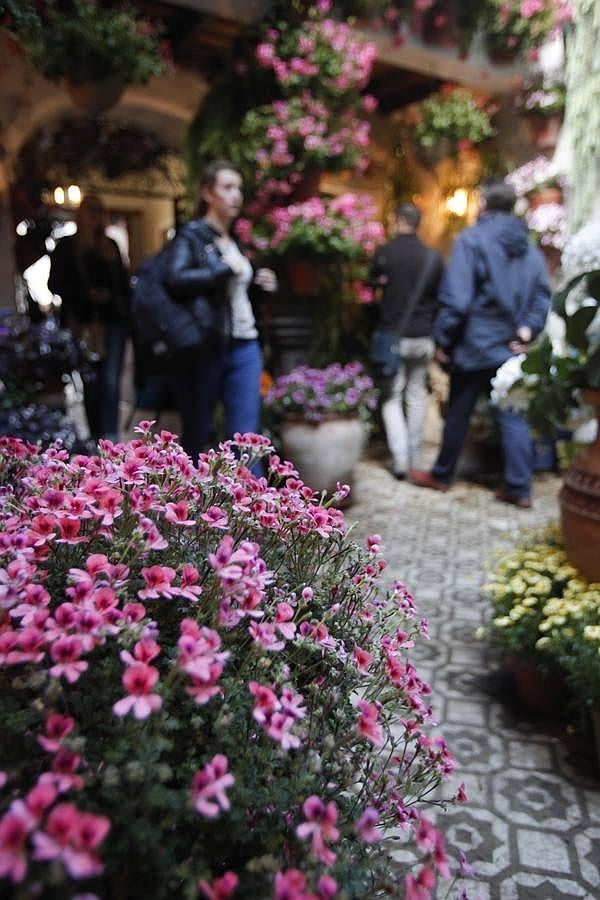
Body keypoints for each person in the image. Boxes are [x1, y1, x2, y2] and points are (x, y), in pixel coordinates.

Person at [409, 180, 551, 507]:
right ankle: (519, 488)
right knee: (513, 411)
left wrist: (444, 339)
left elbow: (457, 300)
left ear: (483, 204)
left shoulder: (471, 240)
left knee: (458, 410)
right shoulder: (528, 246)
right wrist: (528, 329)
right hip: (511, 346)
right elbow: (542, 293)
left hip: (475, 343)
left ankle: (442, 475)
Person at [164, 160, 277, 462]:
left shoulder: (234, 241)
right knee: (197, 434)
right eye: (227, 188)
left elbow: (233, 296)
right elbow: (174, 279)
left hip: (245, 345)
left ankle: (252, 507)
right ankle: (187, 506)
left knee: (247, 441)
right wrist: (222, 271)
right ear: (207, 193)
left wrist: (259, 284)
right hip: (207, 346)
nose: (236, 195)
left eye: (239, 188)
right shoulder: (193, 235)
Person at [369, 203, 444, 478]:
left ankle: (399, 459)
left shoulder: (385, 253)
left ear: (398, 220)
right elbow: (441, 299)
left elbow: (370, 286)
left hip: (394, 336)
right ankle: (413, 458)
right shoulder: (433, 258)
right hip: (424, 337)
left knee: (391, 397)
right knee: (416, 396)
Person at [48, 195, 130, 442]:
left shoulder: (110, 245)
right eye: (90, 210)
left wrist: (115, 301)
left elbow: (123, 285)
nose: (95, 215)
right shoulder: (67, 247)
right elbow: (55, 283)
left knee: (111, 381)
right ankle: (96, 438)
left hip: (112, 323)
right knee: (90, 384)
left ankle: (110, 437)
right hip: (82, 324)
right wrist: (86, 294)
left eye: (99, 210)